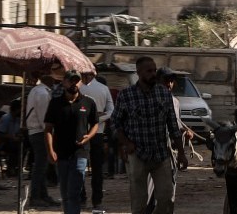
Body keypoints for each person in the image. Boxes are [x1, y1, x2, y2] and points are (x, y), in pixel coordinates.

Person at [112, 57, 186, 214]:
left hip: (161, 155)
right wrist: (126, 143)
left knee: (166, 199)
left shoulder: (164, 95)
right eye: (149, 71)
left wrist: (181, 153)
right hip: (137, 155)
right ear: (139, 73)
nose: (153, 74)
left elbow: (173, 126)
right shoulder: (126, 96)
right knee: (139, 203)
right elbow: (115, 124)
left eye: (154, 70)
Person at [44, 71, 99, 214]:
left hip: (80, 152)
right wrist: (50, 150)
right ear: (64, 82)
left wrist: (89, 136)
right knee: (65, 192)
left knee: (74, 191)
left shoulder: (88, 102)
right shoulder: (55, 103)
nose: (74, 84)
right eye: (71, 80)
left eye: (77, 81)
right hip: (61, 153)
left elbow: (95, 124)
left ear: (80, 83)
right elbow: (48, 129)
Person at [78, 69, 113, 212]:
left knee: (80, 167)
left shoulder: (78, 88)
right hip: (98, 132)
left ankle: (81, 198)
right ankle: (97, 200)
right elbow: (111, 110)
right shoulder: (104, 89)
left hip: (81, 133)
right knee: (97, 169)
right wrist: (98, 119)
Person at [26, 74, 58, 207]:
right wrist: (50, 134)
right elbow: (45, 119)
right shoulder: (43, 93)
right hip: (40, 132)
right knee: (40, 166)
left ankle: (43, 195)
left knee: (42, 165)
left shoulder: (38, 90)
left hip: (36, 132)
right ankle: (35, 197)